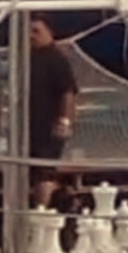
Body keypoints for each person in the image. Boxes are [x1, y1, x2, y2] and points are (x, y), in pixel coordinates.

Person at [22, 16, 81, 162]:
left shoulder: (56, 59)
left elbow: (68, 92)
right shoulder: (29, 57)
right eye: (29, 31)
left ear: (49, 32)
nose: (31, 36)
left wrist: (65, 122)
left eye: (36, 31)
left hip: (48, 127)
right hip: (29, 126)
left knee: (44, 165)